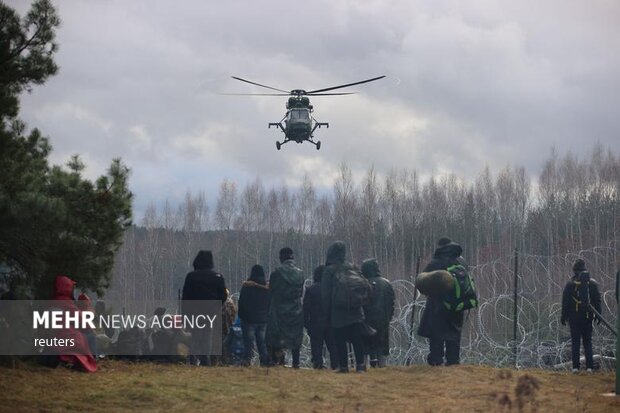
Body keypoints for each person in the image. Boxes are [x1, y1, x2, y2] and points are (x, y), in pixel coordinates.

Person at [417, 237, 467, 366]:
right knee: (454, 334)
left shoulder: (435, 263)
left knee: (437, 334)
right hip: (457, 305)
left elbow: (422, 283)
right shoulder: (461, 262)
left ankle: (436, 360)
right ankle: (453, 362)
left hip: (437, 305)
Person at [321, 241, 366, 373]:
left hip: (338, 312)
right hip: (356, 310)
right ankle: (360, 366)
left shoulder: (329, 271)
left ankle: (344, 367)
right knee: (357, 340)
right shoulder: (353, 267)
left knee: (340, 340)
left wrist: (327, 314)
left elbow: (326, 295)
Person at [182, 250, 227, 366]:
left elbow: (186, 296)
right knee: (207, 336)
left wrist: (184, 314)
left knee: (194, 336)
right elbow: (223, 296)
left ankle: (191, 359)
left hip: (194, 311)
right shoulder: (218, 277)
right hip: (210, 312)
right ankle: (205, 360)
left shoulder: (191, 276)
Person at [561, 258, 602, 373]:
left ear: (574, 270)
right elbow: (597, 301)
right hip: (587, 316)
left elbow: (565, 302)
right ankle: (589, 367)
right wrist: (598, 315)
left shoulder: (570, 284)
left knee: (575, 342)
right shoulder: (593, 284)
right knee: (587, 342)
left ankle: (575, 367)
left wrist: (563, 317)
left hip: (574, 317)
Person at [49, 275, 97, 372]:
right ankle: (94, 359)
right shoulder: (66, 303)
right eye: (71, 287)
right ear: (66, 288)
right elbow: (83, 322)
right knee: (91, 336)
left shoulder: (56, 301)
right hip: (67, 337)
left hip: (57, 337)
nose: (73, 289)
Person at [266, 247, 305, 368]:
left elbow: (271, 290)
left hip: (279, 310)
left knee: (275, 336)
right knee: (296, 337)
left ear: (281, 258)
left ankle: (276, 361)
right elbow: (301, 292)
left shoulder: (276, 273)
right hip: (296, 310)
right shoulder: (301, 273)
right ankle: (296, 363)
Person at [361, 258, 395, 368]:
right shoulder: (386, 283)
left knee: (366, 345)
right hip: (383, 320)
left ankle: (363, 366)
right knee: (381, 346)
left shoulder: (363, 284)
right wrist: (388, 317)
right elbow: (392, 302)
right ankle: (382, 366)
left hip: (366, 319)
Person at [303, 265, 338, 369]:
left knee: (316, 346)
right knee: (333, 346)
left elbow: (306, 308)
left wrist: (306, 323)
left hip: (315, 323)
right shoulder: (332, 289)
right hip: (331, 322)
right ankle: (335, 366)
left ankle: (318, 365)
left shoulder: (311, 289)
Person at [238, 265, 271, 366]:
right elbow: (270, 303)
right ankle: (265, 362)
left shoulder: (247, 286)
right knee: (262, 344)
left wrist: (242, 316)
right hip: (263, 320)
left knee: (248, 343)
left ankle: (247, 361)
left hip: (248, 319)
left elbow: (241, 303)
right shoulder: (267, 287)